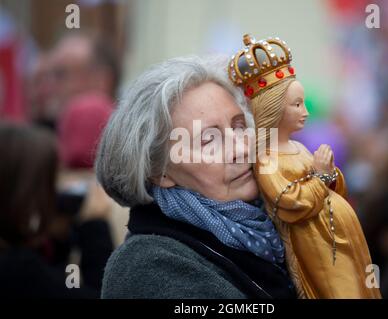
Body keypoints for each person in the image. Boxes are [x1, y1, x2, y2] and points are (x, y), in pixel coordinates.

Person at [96, 55, 297, 299]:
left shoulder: (276, 222)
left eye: (239, 127)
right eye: (209, 140)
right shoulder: (147, 266)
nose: (242, 149)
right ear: (160, 173)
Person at [227, 34, 380, 298]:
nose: (305, 111)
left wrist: (330, 173)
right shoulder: (267, 159)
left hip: (338, 237)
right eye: (296, 105)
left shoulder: (298, 147)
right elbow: (288, 202)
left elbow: (333, 188)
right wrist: (320, 178)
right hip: (316, 245)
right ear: (272, 110)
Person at [0, 122, 113, 298]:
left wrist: (60, 242)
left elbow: (67, 286)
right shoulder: (17, 268)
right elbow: (102, 295)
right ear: (24, 192)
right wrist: (95, 226)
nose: (59, 190)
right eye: (51, 181)